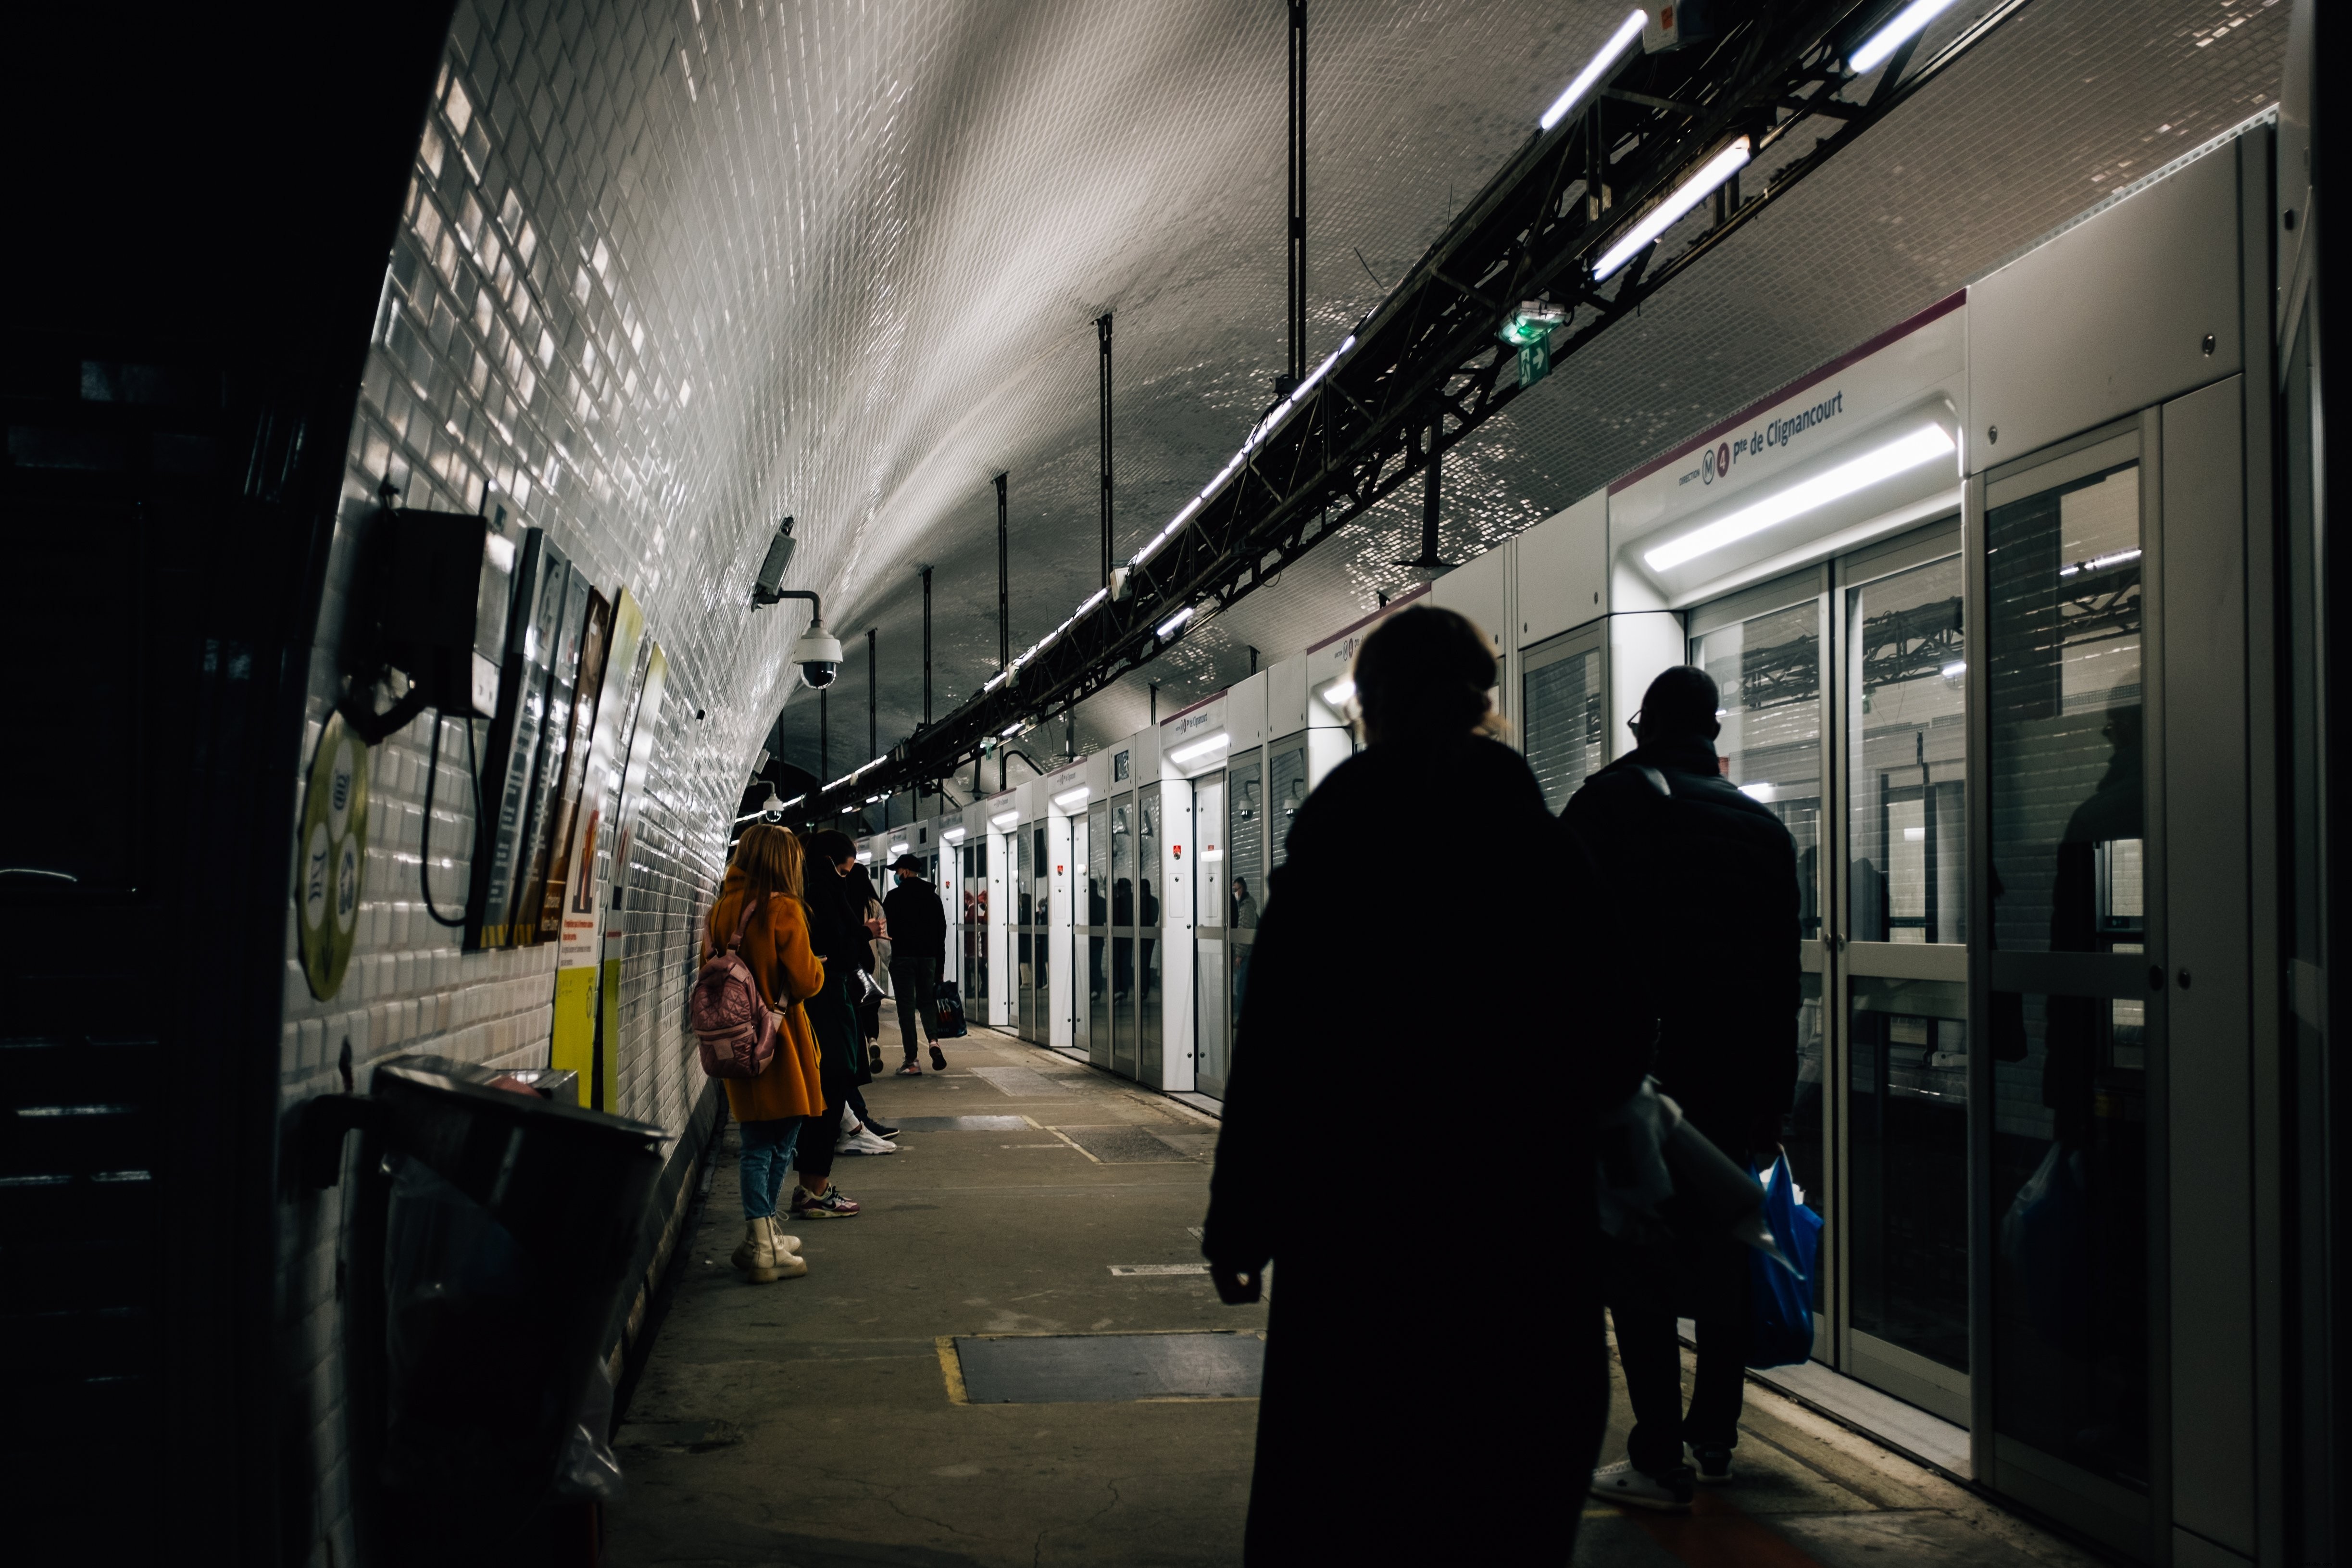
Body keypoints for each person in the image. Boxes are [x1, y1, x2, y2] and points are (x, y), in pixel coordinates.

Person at [1201, 604, 1632, 1562]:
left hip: (1360, 1235)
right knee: (1500, 1496)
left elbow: (1275, 1054)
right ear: (1485, 700)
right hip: (1524, 1231)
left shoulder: (1331, 850)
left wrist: (1241, 1221)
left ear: (1372, 705)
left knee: (1356, 1488)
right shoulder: (1549, 854)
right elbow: (1615, 1044)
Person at [1564, 665, 1799, 1509]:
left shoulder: (1611, 802)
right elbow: (1782, 977)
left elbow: (1564, 943)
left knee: (1638, 1261)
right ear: (1714, 729)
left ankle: (1656, 1453)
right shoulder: (1764, 830)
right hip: (1734, 1077)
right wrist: (1778, 1095)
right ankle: (1717, 1439)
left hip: (1638, 1079)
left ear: (1644, 724)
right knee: (1726, 1249)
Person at [702, 825, 827, 1282]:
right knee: (780, 1137)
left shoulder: (721, 910)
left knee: (757, 1138)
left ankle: (765, 1232)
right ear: (783, 861)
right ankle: (763, 1239)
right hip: (780, 1038)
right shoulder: (783, 908)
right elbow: (807, 980)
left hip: (735, 1038)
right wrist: (816, 967)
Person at [787, 831, 876, 1216]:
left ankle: (812, 1185)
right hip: (827, 999)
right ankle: (815, 1189)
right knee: (831, 1087)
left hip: (824, 999)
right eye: (845, 866)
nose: (847, 874)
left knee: (826, 1090)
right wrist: (863, 933)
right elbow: (837, 946)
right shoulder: (819, 892)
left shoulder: (801, 890)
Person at [882, 853, 949, 1074]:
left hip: (902, 959)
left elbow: (885, 931)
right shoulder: (933, 898)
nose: (896, 875)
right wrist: (939, 966)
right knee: (927, 1002)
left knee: (906, 1009)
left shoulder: (893, 898)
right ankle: (933, 1042)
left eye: (897, 872)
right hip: (929, 958)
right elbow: (941, 935)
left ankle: (912, 1060)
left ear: (906, 872)